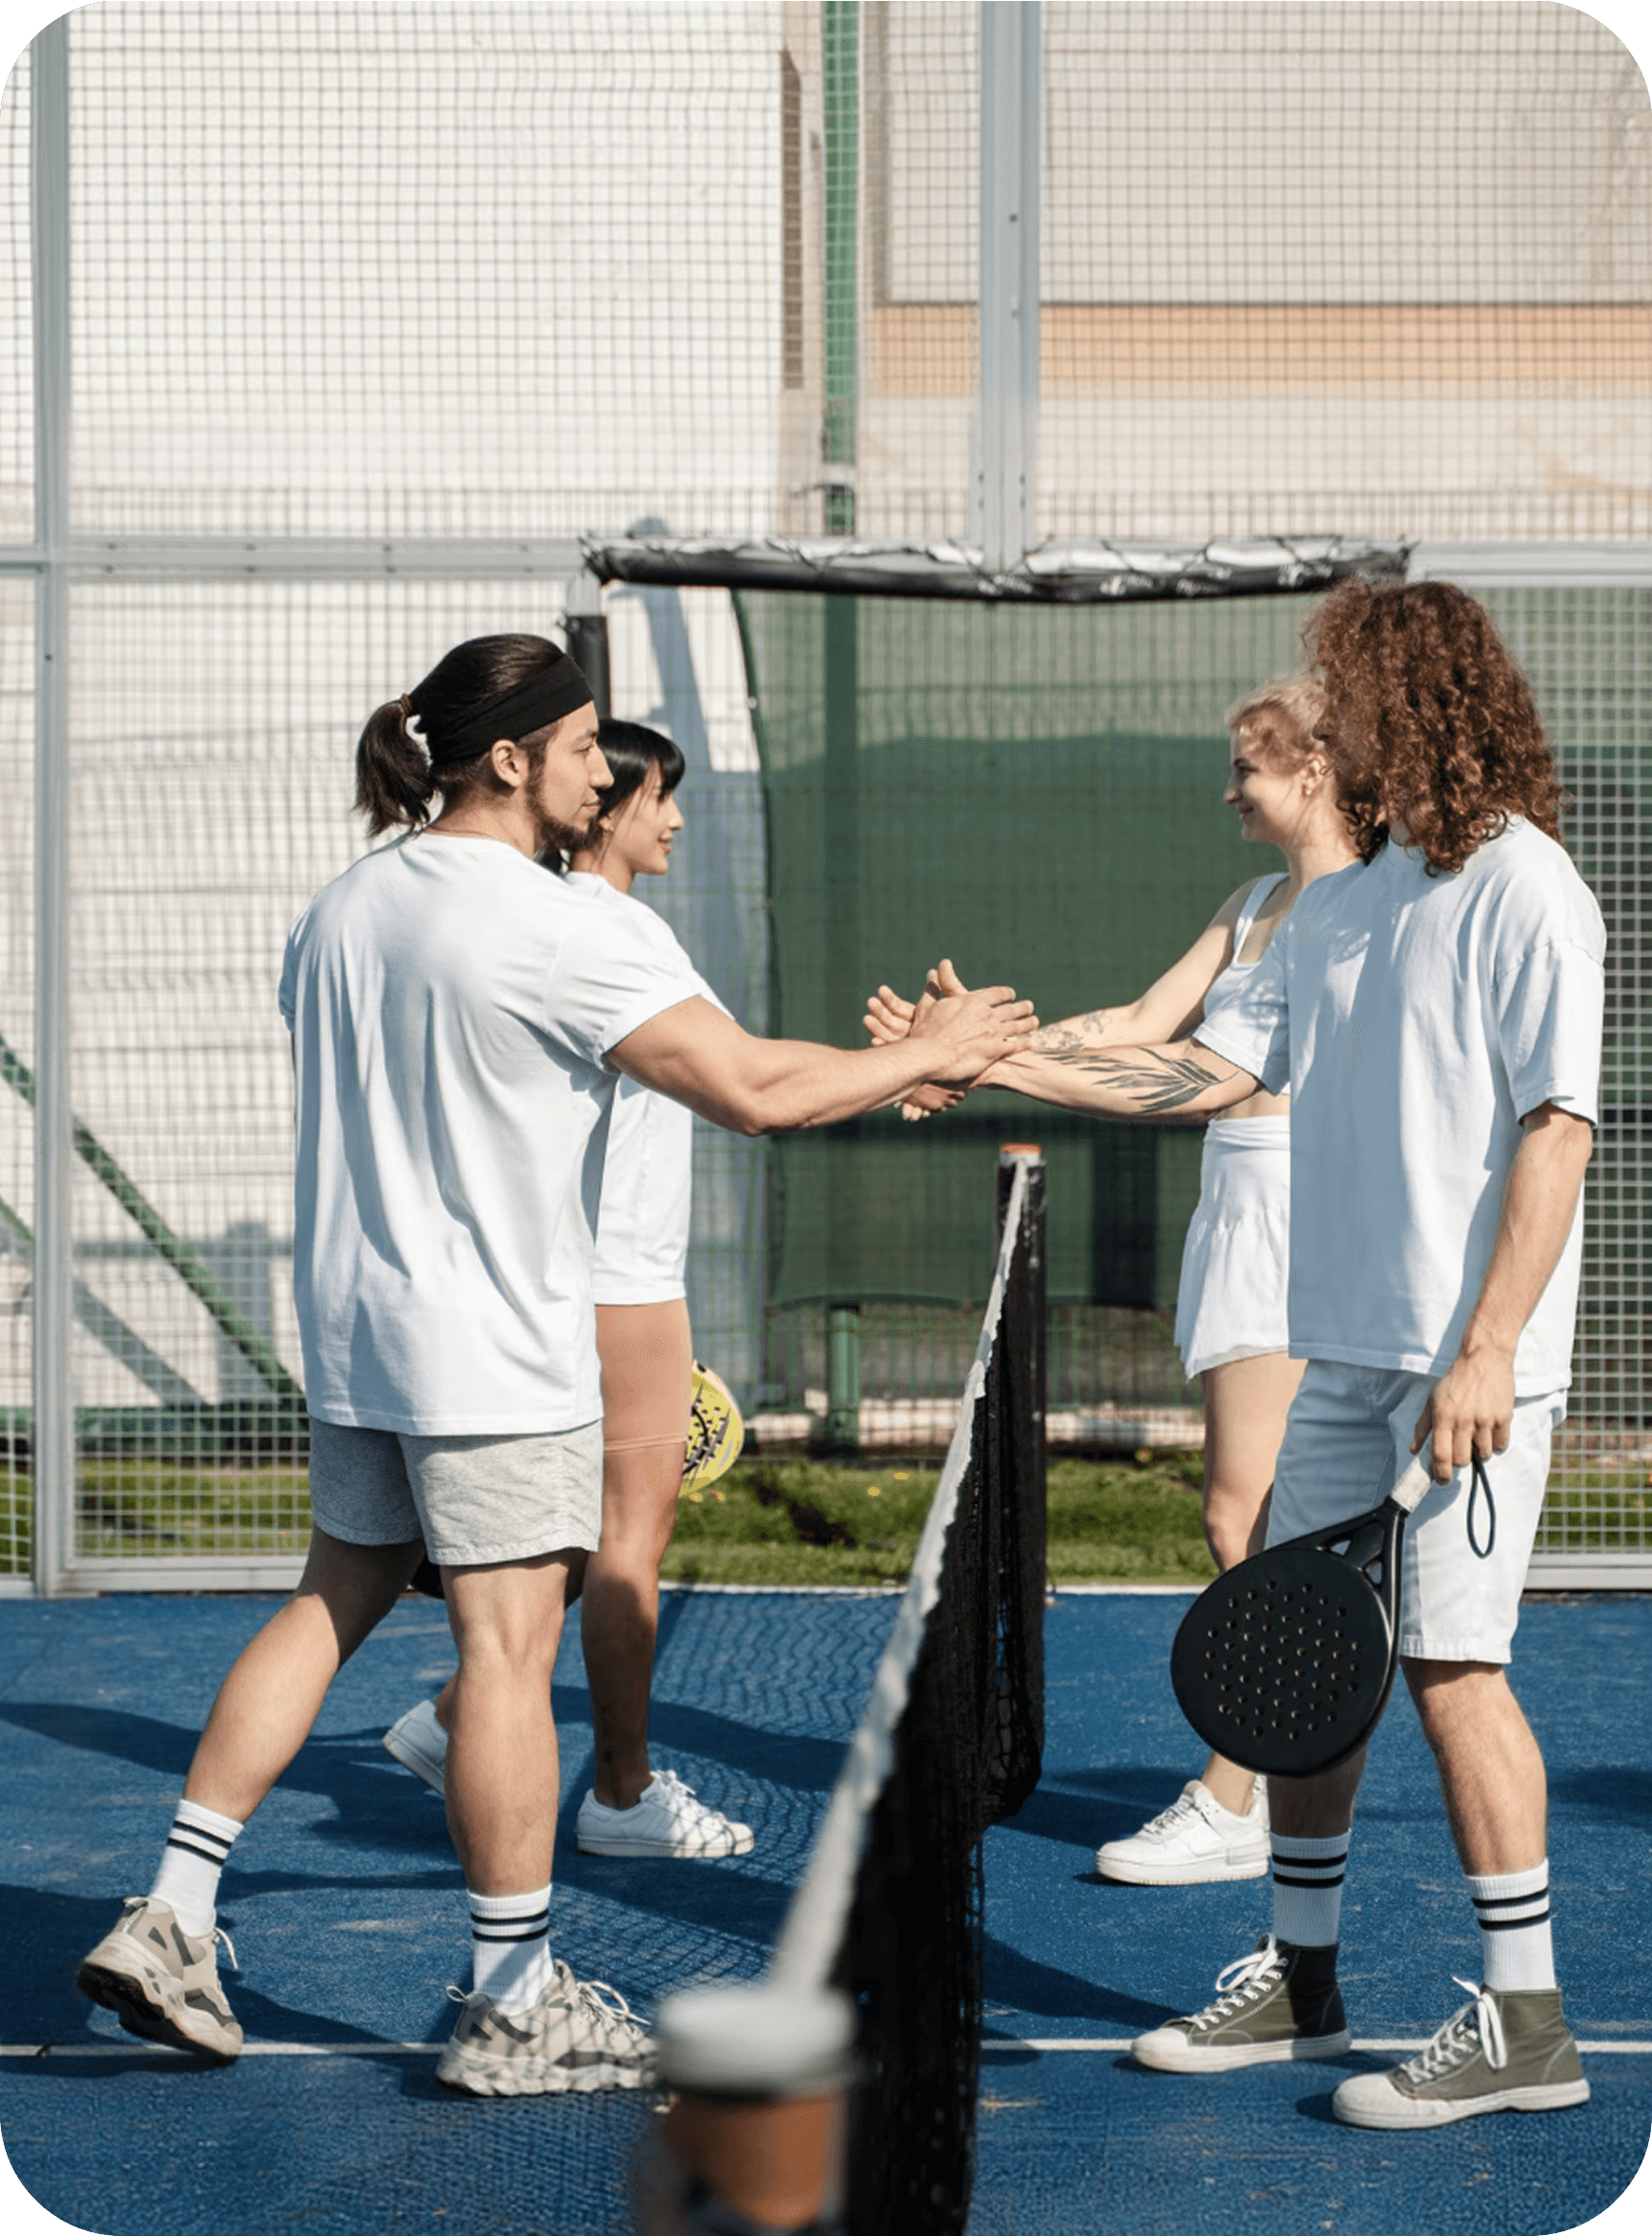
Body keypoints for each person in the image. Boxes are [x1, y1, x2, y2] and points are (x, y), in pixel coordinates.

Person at [73, 634, 1038, 2099]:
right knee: (507, 1657)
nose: (610, 769)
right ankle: (515, 1999)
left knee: (331, 1601)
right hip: (492, 1352)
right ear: (512, 759)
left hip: (357, 1339)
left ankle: (176, 1912)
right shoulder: (546, 923)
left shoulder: (340, 911)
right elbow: (756, 1094)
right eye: (589, 746)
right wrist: (934, 1049)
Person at [935, 579, 1604, 2130]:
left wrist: (1488, 1344)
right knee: (1302, 1663)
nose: (1320, 716)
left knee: (1449, 1669)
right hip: (1342, 1353)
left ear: (1414, 697)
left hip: (1465, 1362)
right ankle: (1301, 1979)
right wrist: (986, 1054)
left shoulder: (1524, 884)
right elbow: (1202, 1070)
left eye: (1342, 689)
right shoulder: (1344, 902)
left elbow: (1553, 1131)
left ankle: (1524, 2018)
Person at [871, 675, 1359, 1889]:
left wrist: (983, 1063)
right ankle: (1266, 1772)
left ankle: (1239, 1789)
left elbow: (1206, 1075)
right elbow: (1144, 1019)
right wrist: (974, 1049)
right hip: (1240, 1212)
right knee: (1255, 1516)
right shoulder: (1254, 903)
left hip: (1305, 1217)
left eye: (1246, 764)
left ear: (1309, 768)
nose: (1228, 786)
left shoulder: (1353, 911)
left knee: (1247, 1517)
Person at [382, 718, 753, 1860]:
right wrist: (917, 1063)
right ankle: (623, 1794)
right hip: (621, 1280)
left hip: (577, 1278)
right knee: (625, 1547)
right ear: (607, 809)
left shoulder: (523, 919)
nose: (673, 818)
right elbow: (745, 1079)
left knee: (575, 1541)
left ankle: (457, 1717)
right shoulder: (608, 929)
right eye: (656, 797)